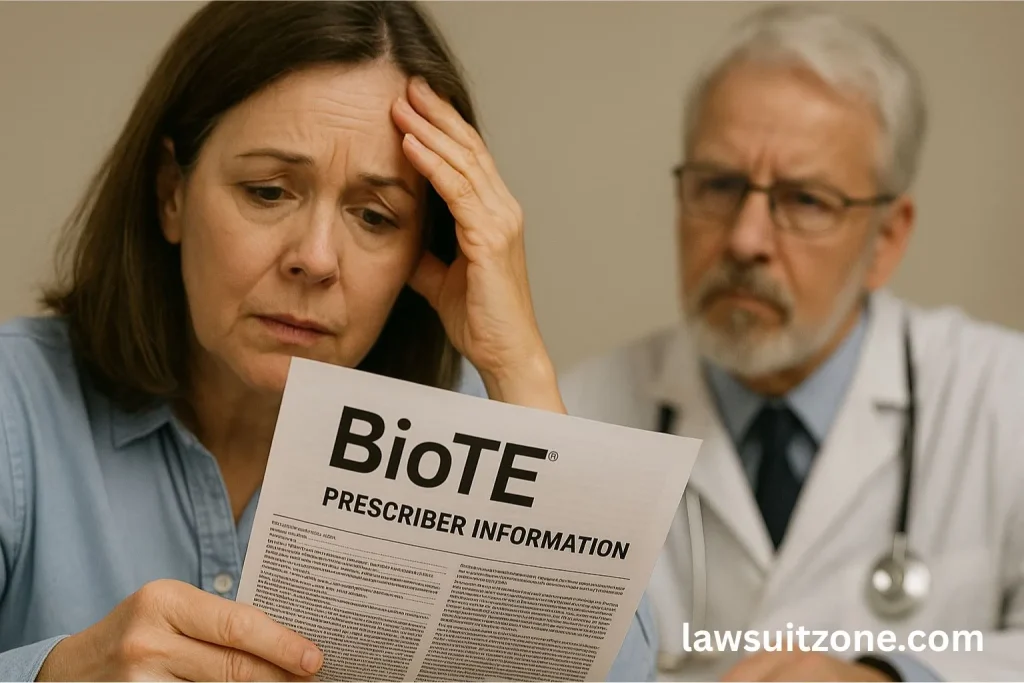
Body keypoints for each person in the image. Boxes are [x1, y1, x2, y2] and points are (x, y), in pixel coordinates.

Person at [0, 2, 656, 680]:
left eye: (375, 215)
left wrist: (518, 364)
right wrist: (55, 672)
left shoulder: (464, 432)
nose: (315, 258)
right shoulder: (16, 404)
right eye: (268, 191)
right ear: (172, 193)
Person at [559, 4, 1024, 682]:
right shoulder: (574, 412)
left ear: (886, 239)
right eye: (719, 185)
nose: (746, 239)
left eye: (804, 200)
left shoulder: (1003, 398)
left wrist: (889, 677)